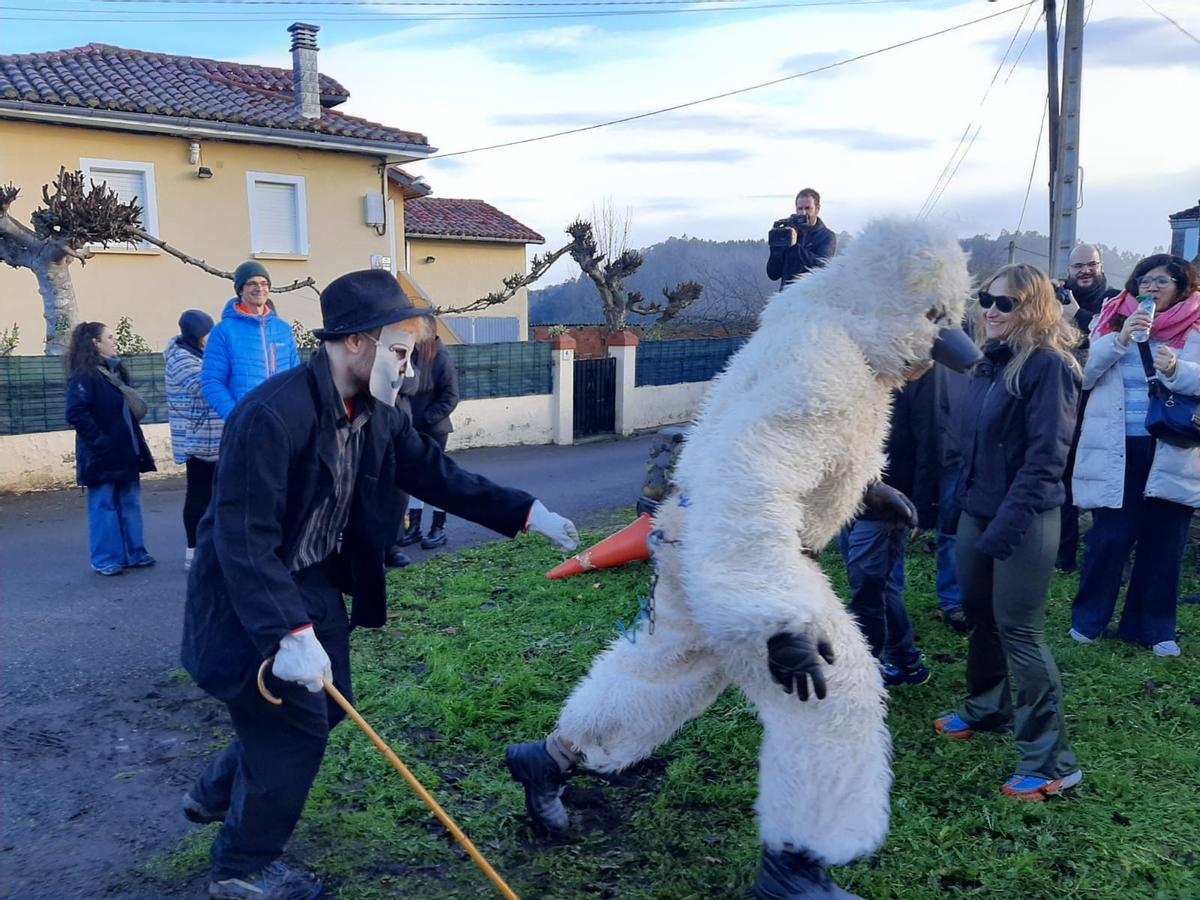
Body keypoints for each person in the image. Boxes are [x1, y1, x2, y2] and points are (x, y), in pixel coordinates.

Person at [506, 217, 981, 899]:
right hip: (744, 545)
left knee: (665, 665)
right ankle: (796, 865)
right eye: (932, 324)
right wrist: (776, 617)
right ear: (891, 306)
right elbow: (749, 485)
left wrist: (859, 489)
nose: (933, 353)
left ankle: (549, 760)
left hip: (690, 529)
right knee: (832, 692)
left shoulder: (819, 335)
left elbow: (769, 442)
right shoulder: (828, 366)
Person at [180, 269, 579, 900]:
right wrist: (288, 631)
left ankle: (215, 789)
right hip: (246, 595)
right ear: (358, 343)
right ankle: (242, 867)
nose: (409, 369)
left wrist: (526, 512)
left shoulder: (377, 413)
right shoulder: (270, 416)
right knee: (296, 729)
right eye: (400, 352)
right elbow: (241, 538)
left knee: (328, 709)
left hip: (310, 580)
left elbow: (433, 472)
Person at [933, 264, 1084, 802]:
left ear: (1035, 308)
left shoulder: (1049, 368)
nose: (992, 311)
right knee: (979, 615)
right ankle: (986, 706)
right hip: (977, 512)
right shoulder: (988, 365)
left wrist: (1005, 526)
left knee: (1018, 629)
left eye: (1007, 303)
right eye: (986, 300)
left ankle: (1052, 763)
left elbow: (1047, 462)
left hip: (1025, 518)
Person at [1069, 254, 1200, 657]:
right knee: (1110, 537)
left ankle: (1153, 627)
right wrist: (1121, 338)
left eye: (1163, 281)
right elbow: (1084, 375)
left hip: (1172, 446)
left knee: (1165, 539)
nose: (1152, 287)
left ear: (1182, 287)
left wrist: (1179, 368)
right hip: (1116, 447)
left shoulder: (1197, 323)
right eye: (1145, 280)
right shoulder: (1111, 316)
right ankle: (1089, 620)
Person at [837, 370, 939, 686]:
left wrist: (923, 503)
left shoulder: (918, 372)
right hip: (845, 496)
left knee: (869, 587)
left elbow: (930, 438)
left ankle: (868, 668)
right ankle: (905, 661)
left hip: (888, 500)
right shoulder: (846, 368)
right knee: (877, 585)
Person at [64, 322, 156, 575]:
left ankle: (135, 553)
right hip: (102, 454)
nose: (115, 341)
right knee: (104, 505)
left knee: (129, 502)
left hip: (126, 450)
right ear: (95, 343)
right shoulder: (84, 376)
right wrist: (101, 443)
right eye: (110, 337)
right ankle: (106, 559)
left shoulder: (116, 373)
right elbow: (76, 413)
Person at [1055, 244, 1122, 572]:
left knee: (1104, 478)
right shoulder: (1060, 298)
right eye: (1078, 266)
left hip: (1106, 403)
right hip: (1066, 401)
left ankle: (1108, 561)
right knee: (1063, 477)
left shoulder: (1117, 300)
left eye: (1090, 265)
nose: (1085, 271)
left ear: (1101, 266)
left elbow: (1113, 339)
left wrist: (1076, 316)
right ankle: (1062, 556)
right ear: (1069, 270)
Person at [201, 261, 300, 420]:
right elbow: (211, 382)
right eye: (252, 283)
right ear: (240, 289)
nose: (259, 288)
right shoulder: (223, 331)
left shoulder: (283, 330)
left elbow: (296, 378)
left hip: (283, 421)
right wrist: (236, 416)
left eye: (264, 283)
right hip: (247, 424)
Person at [164, 310, 223, 571]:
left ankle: (212, 548)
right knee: (199, 496)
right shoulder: (181, 359)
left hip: (215, 438)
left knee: (215, 495)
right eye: (207, 334)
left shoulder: (199, 355)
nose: (211, 338)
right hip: (198, 439)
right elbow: (204, 387)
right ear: (195, 336)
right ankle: (194, 551)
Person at [395, 332, 460, 553]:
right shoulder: (411, 356)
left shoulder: (441, 359)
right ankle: (414, 527)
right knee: (415, 478)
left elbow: (451, 397)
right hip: (412, 429)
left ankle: (438, 527)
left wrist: (425, 418)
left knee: (435, 478)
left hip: (435, 430)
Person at [933, 361, 971, 633]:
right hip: (907, 445)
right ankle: (885, 600)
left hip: (953, 451)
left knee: (951, 527)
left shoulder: (964, 345)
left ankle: (953, 600)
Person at [766, 188, 836, 290]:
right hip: (786, 298)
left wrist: (795, 247)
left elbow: (822, 267)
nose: (803, 213)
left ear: (817, 209)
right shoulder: (787, 233)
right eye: (800, 208)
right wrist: (776, 248)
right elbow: (773, 274)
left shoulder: (827, 236)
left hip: (812, 297)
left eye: (808, 208)